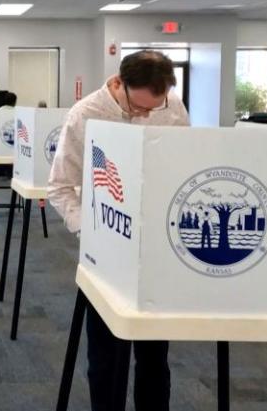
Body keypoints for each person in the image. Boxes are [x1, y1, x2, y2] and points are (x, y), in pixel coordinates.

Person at [48, 50, 189, 411]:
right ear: (118, 83)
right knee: (108, 357)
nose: (146, 114)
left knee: (155, 356)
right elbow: (60, 187)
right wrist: (90, 234)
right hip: (106, 251)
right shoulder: (84, 115)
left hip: (156, 249)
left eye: (152, 109)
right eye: (138, 108)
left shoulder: (171, 106)